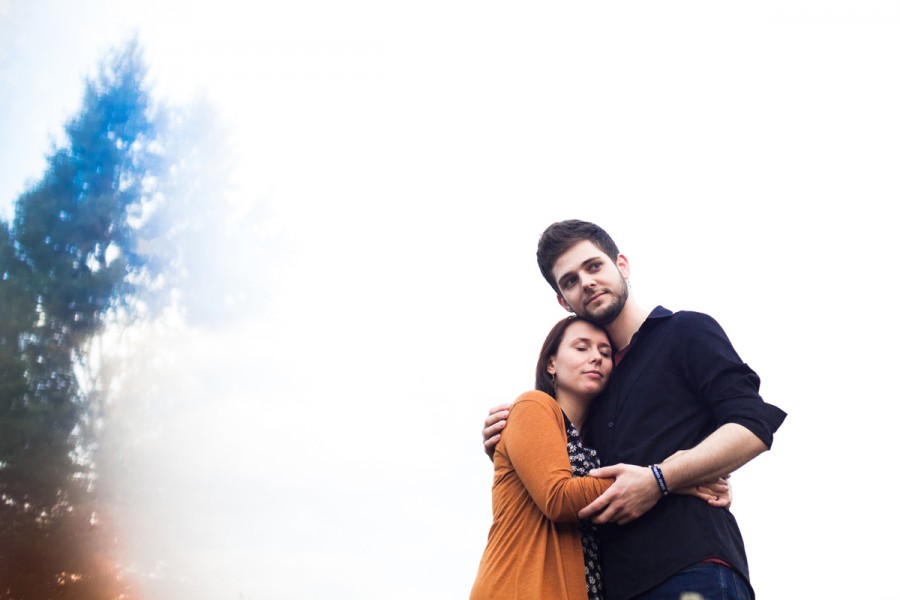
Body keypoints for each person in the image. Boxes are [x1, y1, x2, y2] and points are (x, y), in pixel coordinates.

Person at [482, 219, 787, 600]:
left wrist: (664, 477)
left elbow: (752, 425)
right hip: (614, 586)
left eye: (594, 266)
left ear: (621, 265)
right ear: (563, 301)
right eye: (570, 281)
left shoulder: (684, 332)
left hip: (690, 566)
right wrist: (509, 444)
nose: (587, 282)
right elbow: (563, 486)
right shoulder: (593, 388)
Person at [470, 315, 730, 600]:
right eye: (582, 348)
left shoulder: (599, 448)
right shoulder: (533, 405)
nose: (596, 358)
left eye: (605, 353)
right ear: (551, 363)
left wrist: (682, 477)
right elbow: (558, 497)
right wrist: (667, 479)